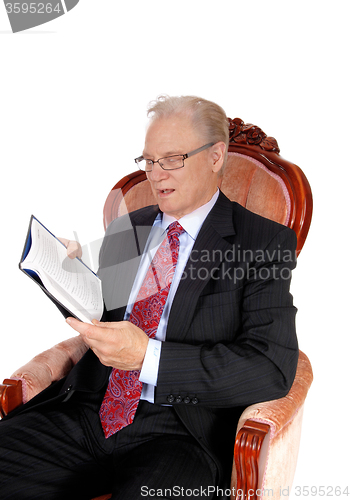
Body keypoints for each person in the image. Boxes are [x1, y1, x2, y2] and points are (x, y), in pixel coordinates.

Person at [0, 95, 299, 499]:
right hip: (89, 410)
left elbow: (268, 368)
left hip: (180, 431)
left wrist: (147, 358)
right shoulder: (129, 228)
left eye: (172, 159)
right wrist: (70, 272)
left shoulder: (262, 243)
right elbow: (106, 315)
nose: (156, 175)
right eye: (148, 161)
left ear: (215, 156)